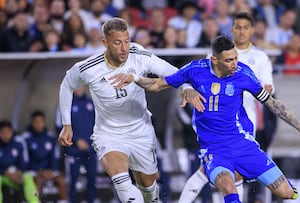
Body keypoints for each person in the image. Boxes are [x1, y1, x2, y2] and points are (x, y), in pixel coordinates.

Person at [111, 35, 300, 203]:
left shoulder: (243, 74)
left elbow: (273, 104)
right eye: (229, 60)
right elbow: (158, 84)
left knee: (286, 193)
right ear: (214, 60)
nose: (234, 63)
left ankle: (256, 177)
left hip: (242, 143)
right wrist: (134, 78)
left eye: (235, 57)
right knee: (228, 187)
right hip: (213, 149)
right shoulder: (196, 70)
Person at [57, 17, 198, 203]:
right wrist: (67, 124)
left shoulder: (138, 54)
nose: (124, 48)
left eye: (126, 41)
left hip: (141, 132)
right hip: (109, 134)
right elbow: (67, 84)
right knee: (122, 183)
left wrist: (186, 87)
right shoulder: (89, 67)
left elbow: (171, 71)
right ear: (105, 43)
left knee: (148, 189)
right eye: (117, 42)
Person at [179, 12, 276, 203]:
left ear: (252, 30)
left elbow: (268, 89)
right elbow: (193, 76)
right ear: (232, 29)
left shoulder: (260, 57)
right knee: (212, 169)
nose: (241, 31)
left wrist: (264, 89)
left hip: (246, 123)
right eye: (238, 27)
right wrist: (187, 89)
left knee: (226, 172)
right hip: (216, 121)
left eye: (246, 27)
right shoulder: (218, 53)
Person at [21, 111, 68, 202]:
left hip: (49, 171)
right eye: (36, 122)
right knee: (38, 181)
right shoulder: (25, 138)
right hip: (33, 171)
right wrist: (38, 171)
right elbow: (24, 159)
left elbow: (55, 157)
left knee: (61, 181)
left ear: (44, 122)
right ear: (32, 123)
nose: (38, 124)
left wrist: (51, 170)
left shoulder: (51, 137)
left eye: (41, 122)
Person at [63, 87, 97, 203]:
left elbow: (99, 124)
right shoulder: (66, 104)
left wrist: (93, 142)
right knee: (73, 180)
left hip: (91, 148)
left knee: (92, 178)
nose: (79, 88)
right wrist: (76, 140)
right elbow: (59, 125)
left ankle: (90, 201)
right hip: (73, 150)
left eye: (81, 85)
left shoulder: (91, 103)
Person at [0, 120, 39, 203]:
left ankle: (34, 201)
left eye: (8, 132)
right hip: (3, 176)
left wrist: (19, 172)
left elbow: (24, 161)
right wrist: (5, 172)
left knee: (27, 177)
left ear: (12, 132)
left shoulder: (18, 143)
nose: (5, 135)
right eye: (3, 132)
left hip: (16, 175)